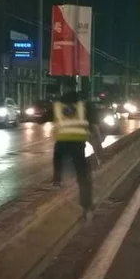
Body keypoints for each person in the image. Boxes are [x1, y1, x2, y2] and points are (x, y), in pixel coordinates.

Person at [40, 83, 101, 222]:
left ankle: (57, 180)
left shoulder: (57, 106)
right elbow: (96, 130)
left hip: (61, 147)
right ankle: (87, 206)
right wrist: (98, 152)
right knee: (84, 177)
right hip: (78, 146)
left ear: (63, 90)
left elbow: (41, 119)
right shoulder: (85, 106)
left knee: (57, 158)